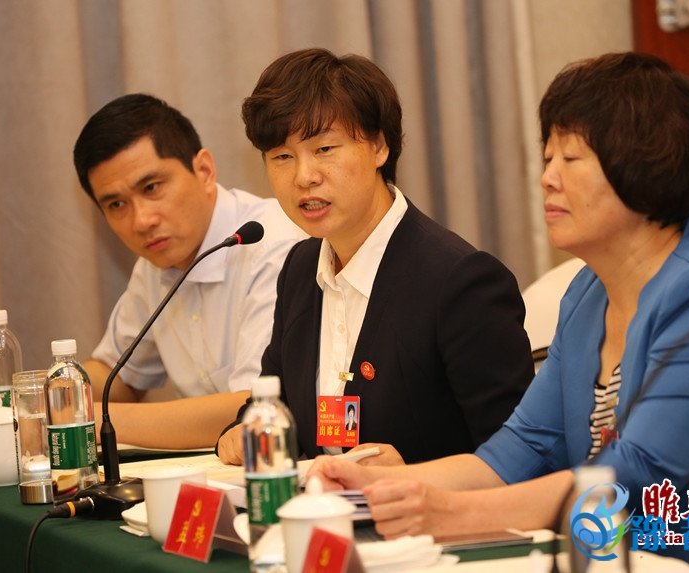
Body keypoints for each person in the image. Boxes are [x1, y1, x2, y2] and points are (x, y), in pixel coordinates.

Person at [308, 52, 689, 572]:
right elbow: (521, 447)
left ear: (646, 165)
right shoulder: (587, 291)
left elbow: (636, 475)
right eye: (547, 157)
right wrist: (377, 484)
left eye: (570, 159)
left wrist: (449, 513)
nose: (547, 178)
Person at [216, 48, 534, 466]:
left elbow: (521, 456)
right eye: (282, 157)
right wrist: (243, 429)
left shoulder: (461, 281)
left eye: (324, 149)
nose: (304, 177)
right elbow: (277, 404)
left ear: (379, 147)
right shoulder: (300, 269)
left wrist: (414, 477)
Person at [73, 93, 304, 449]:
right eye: (116, 204)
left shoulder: (272, 244)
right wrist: (49, 397)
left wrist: (84, 417)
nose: (141, 220)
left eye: (151, 188)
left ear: (204, 171)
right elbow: (117, 375)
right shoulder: (156, 263)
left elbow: (253, 409)